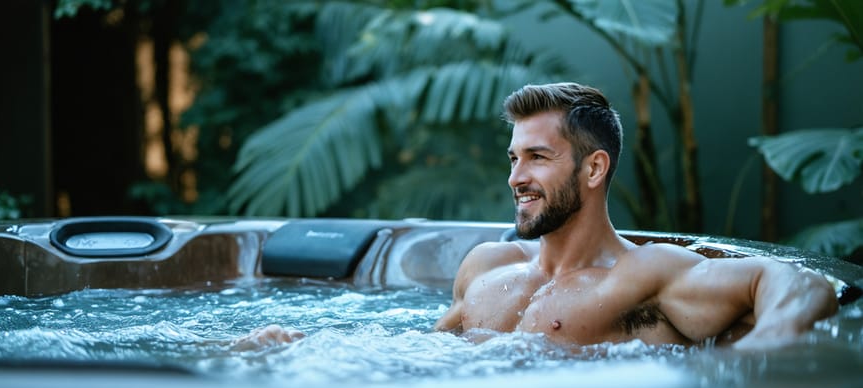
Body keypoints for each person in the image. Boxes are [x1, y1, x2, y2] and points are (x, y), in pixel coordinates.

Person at [241, 82, 838, 350]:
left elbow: (794, 281)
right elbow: (426, 354)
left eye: (538, 158)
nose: (515, 177)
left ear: (594, 168)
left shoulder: (643, 274)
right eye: (513, 158)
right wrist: (305, 346)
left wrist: (770, 345)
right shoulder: (487, 264)